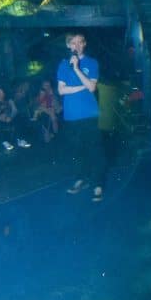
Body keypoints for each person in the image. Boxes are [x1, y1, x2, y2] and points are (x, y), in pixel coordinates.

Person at [57, 32, 106, 202]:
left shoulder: (92, 63)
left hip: (89, 114)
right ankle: (81, 179)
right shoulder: (63, 64)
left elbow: (92, 87)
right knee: (77, 151)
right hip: (71, 116)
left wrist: (77, 69)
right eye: (73, 43)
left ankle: (98, 184)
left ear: (84, 44)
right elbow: (61, 90)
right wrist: (81, 87)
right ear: (68, 46)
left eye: (79, 42)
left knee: (95, 150)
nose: (76, 46)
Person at [0, 86, 31, 151]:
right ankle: (5, 142)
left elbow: (15, 111)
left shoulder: (9, 101)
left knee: (19, 118)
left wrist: (10, 117)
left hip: (9, 119)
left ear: (4, 93)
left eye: (1, 92)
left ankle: (20, 140)